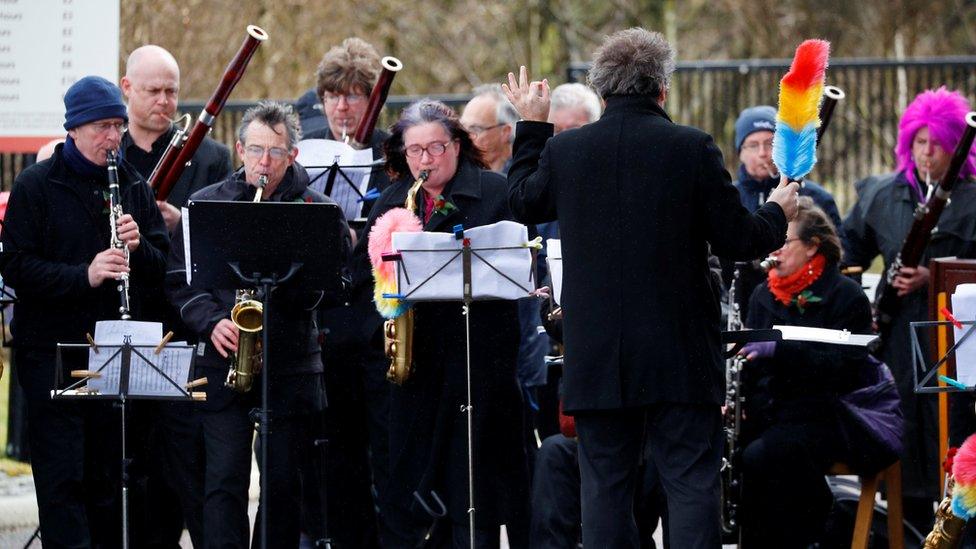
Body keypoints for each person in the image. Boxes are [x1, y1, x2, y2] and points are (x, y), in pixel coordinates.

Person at [503, 28, 798, 547]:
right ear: (662, 88)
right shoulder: (691, 148)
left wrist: (532, 125)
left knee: (604, 492)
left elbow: (523, 202)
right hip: (679, 352)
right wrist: (779, 211)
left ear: (601, 92)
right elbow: (740, 239)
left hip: (597, 356)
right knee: (689, 485)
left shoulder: (567, 151)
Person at [165, 101, 349, 549]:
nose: (264, 163)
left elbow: (334, 284)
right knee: (223, 480)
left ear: (293, 156)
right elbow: (180, 281)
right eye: (256, 150)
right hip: (223, 359)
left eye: (276, 152)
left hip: (290, 365)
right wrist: (212, 323)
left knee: (284, 485)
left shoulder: (317, 210)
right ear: (240, 148)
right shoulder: (206, 206)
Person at [0, 75, 169, 547]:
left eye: (118, 125)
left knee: (107, 480)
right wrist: (85, 274)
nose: (114, 138)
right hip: (52, 352)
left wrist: (139, 250)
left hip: (115, 352)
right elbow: (15, 266)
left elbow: (164, 266)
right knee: (62, 484)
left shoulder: (133, 184)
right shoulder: (36, 185)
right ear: (73, 129)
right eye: (102, 127)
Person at [353, 99, 531, 547]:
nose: (426, 160)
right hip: (418, 373)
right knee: (413, 491)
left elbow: (515, 270)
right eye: (415, 151)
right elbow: (364, 284)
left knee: (477, 488)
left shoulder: (494, 191)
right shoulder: (393, 202)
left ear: (457, 145)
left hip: (479, 366)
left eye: (437, 147)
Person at [842, 87, 976, 531]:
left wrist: (933, 277)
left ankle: (955, 524)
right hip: (899, 339)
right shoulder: (883, 194)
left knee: (951, 438)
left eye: (939, 143)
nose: (929, 153)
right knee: (904, 435)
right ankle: (907, 527)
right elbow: (846, 251)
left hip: (958, 342)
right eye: (920, 142)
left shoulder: (972, 199)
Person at [119, 44, 233, 548]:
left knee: (193, 469)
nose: (165, 101)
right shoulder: (109, 153)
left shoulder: (211, 157)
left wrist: (177, 221)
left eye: (172, 91)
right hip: (131, 321)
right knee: (137, 474)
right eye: (153, 91)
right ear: (127, 90)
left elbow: (224, 235)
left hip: (191, 329)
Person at [738, 197, 881, 546]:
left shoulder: (845, 296)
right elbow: (752, 371)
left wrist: (783, 350)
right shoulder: (762, 295)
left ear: (813, 246)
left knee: (763, 458)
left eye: (784, 242)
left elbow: (847, 372)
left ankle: (813, 532)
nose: (775, 251)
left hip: (827, 416)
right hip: (772, 416)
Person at [303, 36, 396, 548]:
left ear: (372, 101)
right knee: (335, 451)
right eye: (333, 95)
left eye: (356, 94)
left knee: (382, 444)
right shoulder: (308, 160)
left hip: (376, 317)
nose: (343, 105)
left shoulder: (392, 157)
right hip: (327, 322)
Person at [724, 105, 842, 320]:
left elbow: (837, 256)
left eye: (770, 143)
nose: (763, 153)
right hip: (744, 309)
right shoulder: (728, 197)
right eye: (752, 145)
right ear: (740, 153)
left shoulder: (817, 197)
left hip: (805, 310)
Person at [460, 84, 520, 174]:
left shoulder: (522, 176)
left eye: (475, 129)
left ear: (505, 132)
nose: (465, 136)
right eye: (463, 128)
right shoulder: (458, 173)